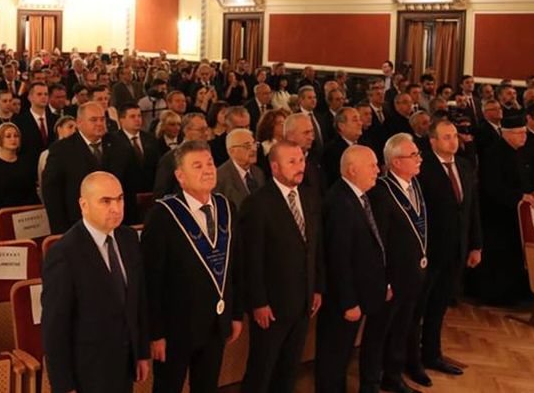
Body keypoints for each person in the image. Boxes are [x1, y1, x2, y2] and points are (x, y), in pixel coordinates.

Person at [142, 140, 242, 393]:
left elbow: (234, 267)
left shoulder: (226, 207)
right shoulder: (162, 215)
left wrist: (235, 314)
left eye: (210, 163)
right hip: (175, 329)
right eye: (197, 166)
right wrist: (155, 333)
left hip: (216, 323)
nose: (207, 170)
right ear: (180, 176)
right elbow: (151, 281)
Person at [42, 172, 150, 393]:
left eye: (120, 199)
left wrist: (141, 353)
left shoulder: (129, 238)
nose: (116, 208)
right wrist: (63, 386)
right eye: (106, 201)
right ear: (84, 205)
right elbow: (54, 327)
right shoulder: (64, 253)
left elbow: (137, 300)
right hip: (87, 373)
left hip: (124, 364)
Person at [240, 141, 322, 393]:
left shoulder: (309, 196)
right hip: (272, 307)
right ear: (275, 167)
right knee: (262, 369)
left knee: (289, 369)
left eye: (301, 160)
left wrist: (317, 288)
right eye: (292, 162)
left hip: (303, 301)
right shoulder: (257, 204)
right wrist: (258, 302)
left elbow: (315, 247)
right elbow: (251, 260)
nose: (300, 166)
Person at [410, 120, 481, 385]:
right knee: (418, 309)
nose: (453, 141)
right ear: (433, 142)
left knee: (439, 306)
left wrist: (475, 245)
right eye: (447, 137)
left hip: (456, 250)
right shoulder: (422, 168)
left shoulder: (464, 165)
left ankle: (432, 354)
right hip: (430, 252)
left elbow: (472, 209)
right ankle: (412, 361)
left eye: (454, 136)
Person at [316, 145, 390, 393]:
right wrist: (348, 302)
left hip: (361, 293)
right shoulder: (339, 202)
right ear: (352, 169)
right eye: (372, 165)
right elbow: (338, 259)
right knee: (333, 359)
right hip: (344, 302)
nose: (377, 170)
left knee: (342, 357)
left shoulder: (359, 196)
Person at [368, 134, 428, 393]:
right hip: (392, 278)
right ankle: (372, 380)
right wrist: (385, 281)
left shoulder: (415, 184)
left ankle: (393, 374)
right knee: (380, 332)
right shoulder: (381, 192)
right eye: (413, 155)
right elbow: (379, 242)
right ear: (395, 162)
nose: (419, 159)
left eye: (417, 153)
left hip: (413, 273)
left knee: (404, 328)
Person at [470, 114, 534, 306]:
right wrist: (520, 196)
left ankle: (519, 293)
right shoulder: (493, 154)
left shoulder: (522, 151)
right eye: (519, 133)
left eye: (525, 132)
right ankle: (499, 297)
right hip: (498, 215)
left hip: (518, 215)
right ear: (506, 134)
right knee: (501, 257)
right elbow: (492, 187)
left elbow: (529, 177)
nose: (524, 137)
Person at [43, 102, 123, 234]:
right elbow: (52, 194)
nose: (99, 123)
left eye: (102, 119)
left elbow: (128, 186)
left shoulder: (119, 145)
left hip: (115, 224)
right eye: (94, 120)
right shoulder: (61, 150)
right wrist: (61, 232)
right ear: (79, 122)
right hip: (77, 226)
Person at [109, 103, 160, 225]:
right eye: (132, 116)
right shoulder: (112, 141)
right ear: (122, 120)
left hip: (149, 197)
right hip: (126, 198)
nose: (137, 119)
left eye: (139, 116)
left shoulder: (150, 139)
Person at [0, 122, 38, 214]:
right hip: (3, 215)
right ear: (0, 140)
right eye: (8, 136)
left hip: (27, 215)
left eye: (16, 136)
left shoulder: (26, 163)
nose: (13, 139)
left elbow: (33, 194)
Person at [213, 128, 264, 210]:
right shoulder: (220, 177)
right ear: (231, 151)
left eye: (254, 144)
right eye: (247, 145)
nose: (254, 149)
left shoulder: (258, 172)